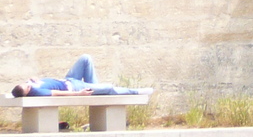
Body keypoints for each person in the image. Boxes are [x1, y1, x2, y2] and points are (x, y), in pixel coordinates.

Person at [11, 55, 149, 97]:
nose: (27, 84)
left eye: (25, 83)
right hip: (75, 87)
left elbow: (32, 81)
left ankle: (97, 91)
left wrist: (35, 79)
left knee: (85, 59)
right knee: (109, 88)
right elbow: (57, 93)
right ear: (28, 92)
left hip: (68, 79)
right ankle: (137, 92)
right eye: (27, 86)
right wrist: (80, 94)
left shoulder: (30, 86)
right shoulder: (38, 92)